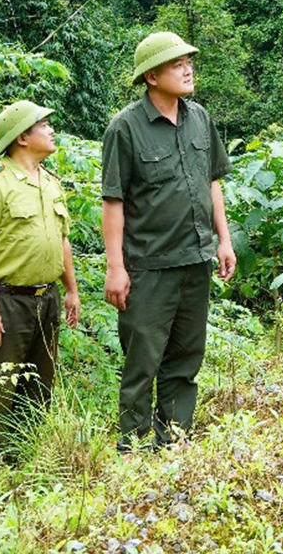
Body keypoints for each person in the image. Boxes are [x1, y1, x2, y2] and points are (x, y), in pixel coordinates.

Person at [101, 31, 236, 450]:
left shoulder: (200, 118)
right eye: (177, 64)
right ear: (152, 76)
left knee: (185, 358)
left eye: (188, 62)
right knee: (143, 361)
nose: (187, 68)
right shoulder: (125, 128)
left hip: (195, 260)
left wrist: (224, 241)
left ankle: (173, 441)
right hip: (148, 266)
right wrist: (115, 267)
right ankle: (135, 448)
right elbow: (114, 201)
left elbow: (212, 182)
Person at [0, 99, 81, 459]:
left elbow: (61, 241)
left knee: (38, 388)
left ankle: (23, 466)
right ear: (22, 137)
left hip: (46, 301)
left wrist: (71, 290)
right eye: (43, 124)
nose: (51, 129)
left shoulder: (50, 183)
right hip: (6, 303)